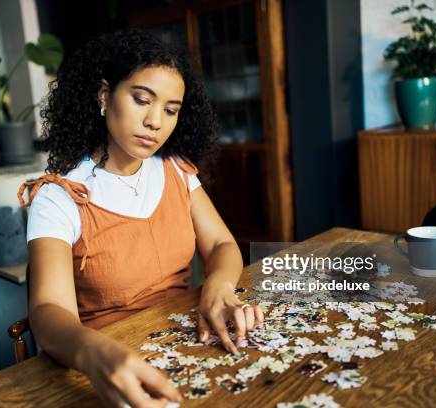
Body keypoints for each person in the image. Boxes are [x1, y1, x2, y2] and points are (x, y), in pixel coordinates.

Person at [18, 29, 263, 407]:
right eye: (141, 100)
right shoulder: (57, 195)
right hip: (106, 364)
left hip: (190, 341)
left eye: (170, 110)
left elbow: (221, 244)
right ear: (104, 96)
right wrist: (94, 354)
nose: (155, 122)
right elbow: (48, 311)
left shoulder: (177, 171)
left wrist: (219, 285)